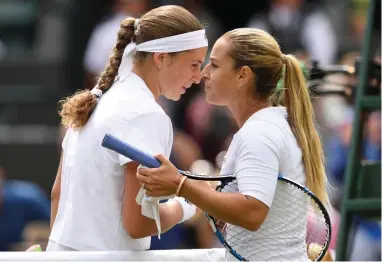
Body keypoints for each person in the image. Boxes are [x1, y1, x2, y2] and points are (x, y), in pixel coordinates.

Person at [137, 28, 330, 260]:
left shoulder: (259, 133)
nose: (203, 74)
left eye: (215, 65)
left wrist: (180, 184)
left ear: (242, 75)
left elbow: (252, 212)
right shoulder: (270, 125)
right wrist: (194, 190)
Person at [48, 5, 208, 251]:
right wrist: (190, 204)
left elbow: (57, 194)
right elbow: (138, 224)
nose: (198, 77)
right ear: (161, 58)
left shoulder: (95, 101)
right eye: (193, 65)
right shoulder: (146, 115)